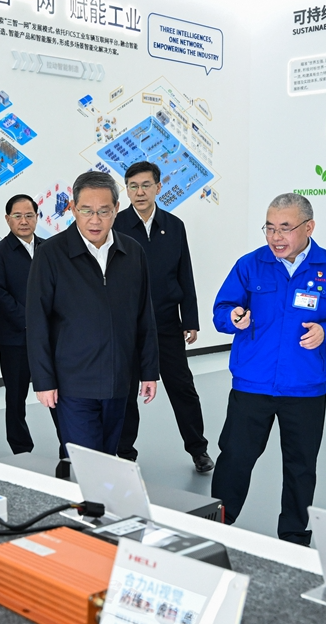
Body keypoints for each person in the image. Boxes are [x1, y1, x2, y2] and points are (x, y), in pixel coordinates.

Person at [210, 193, 326, 545]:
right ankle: (216, 522)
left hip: (305, 387)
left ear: (308, 227)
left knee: (300, 466)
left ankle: (294, 536)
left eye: (285, 227)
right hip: (252, 383)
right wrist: (232, 317)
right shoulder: (250, 265)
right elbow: (222, 308)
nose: (276, 236)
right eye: (269, 227)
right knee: (235, 457)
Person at [26, 171, 159, 456]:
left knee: (109, 458)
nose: (95, 220)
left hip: (119, 380)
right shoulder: (51, 254)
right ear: (73, 209)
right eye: (86, 210)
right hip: (72, 383)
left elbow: (144, 318)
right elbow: (37, 323)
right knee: (85, 459)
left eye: (104, 211)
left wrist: (149, 372)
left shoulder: (133, 253)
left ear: (116, 209)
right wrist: (44, 381)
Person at [113, 161, 213, 473]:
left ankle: (198, 449)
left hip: (167, 323)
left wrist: (191, 319)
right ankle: (124, 453)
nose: (139, 192)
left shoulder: (174, 226)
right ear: (126, 190)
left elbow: (185, 273)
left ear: (158, 187)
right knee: (125, 391)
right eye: (133, 186)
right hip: (127, 325)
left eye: (146, 185)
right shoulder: (115, 225)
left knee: (182, 387)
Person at [0, 194, 62, 458]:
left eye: (29, 215)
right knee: (15, 397)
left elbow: (60, 289)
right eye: (17, 216)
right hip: (15, 339)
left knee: (58, 393)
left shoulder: (49, 248)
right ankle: (21, 449)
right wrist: (30, 322)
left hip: (50, 338)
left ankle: (68, 446)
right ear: (7, 219)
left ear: (37, 217)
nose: (24, 221)